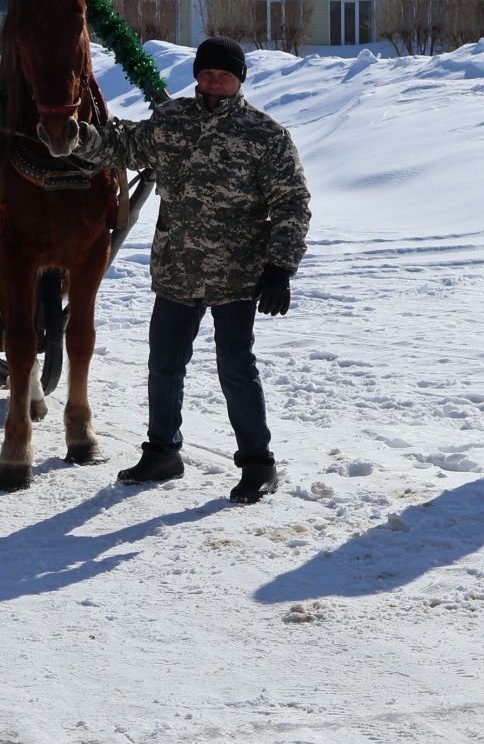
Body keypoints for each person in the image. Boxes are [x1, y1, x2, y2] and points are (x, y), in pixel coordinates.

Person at [49, 36, 310, 504]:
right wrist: (76, 135)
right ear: (197, 75)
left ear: (240, 80)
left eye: (224, 75)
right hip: (177, 268)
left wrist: (280, 267)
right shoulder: (171, 122)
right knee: (165, 364)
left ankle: (258, 463)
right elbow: (123, 145)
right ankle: (163, 452)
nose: (215, 82)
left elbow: (292, 202)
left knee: (235, 367)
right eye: (207, 73)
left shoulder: (265, 135)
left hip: (236, 275)